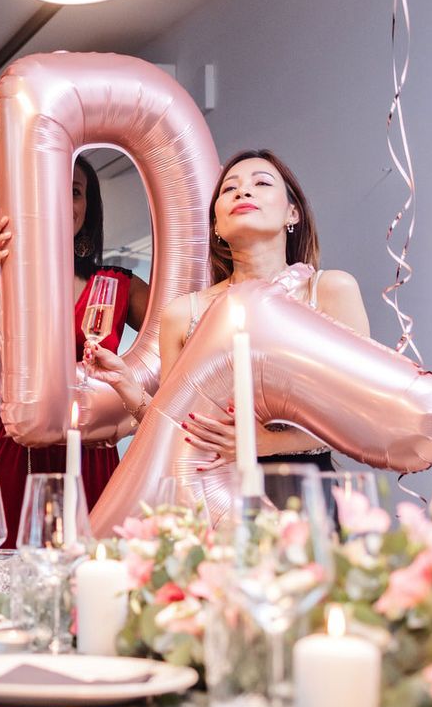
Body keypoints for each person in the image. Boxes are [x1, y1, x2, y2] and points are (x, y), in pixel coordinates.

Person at [0, 158, 153, 540]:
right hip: (17, 453)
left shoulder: (119, 285)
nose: (61, 202)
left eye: (74, 192)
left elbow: (181, 349)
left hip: (93, 453)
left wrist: (133, 416)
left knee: (93, 578)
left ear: (87, 208)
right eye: (50, 189)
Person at [151, 149, 369, 472]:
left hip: (302, 492)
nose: (243, 191)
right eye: (229, 189)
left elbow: (362, 414)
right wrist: (132, 394)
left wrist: (269, 443)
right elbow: (172, 431)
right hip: (211, 497)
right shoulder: (182, 315)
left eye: (262, 183)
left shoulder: (330, 291)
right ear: (216, 226)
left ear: (292, 214)